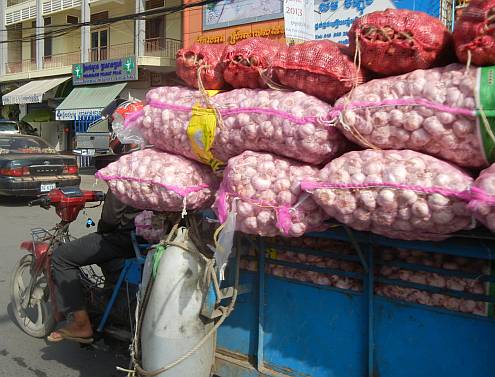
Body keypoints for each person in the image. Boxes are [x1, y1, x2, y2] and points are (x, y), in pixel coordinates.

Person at [47, 190, 141, 344]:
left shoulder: (124, 172)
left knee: (61, 256)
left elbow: (110, 219)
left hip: (124, 239)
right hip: (150, 236)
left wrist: (101, 230)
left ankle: (81, 324)